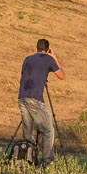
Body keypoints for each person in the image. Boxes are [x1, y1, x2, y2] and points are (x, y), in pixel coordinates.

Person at [17, 38, 65, 166]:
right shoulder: (48, 59)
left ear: (36, 48)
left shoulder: (27, 59)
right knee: (48, 130)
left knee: (27, 132)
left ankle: (26, 159)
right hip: (35, 99)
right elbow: (61, 75)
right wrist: (53, 56)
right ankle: (46, 162)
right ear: (47, 49)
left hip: (22, 97)